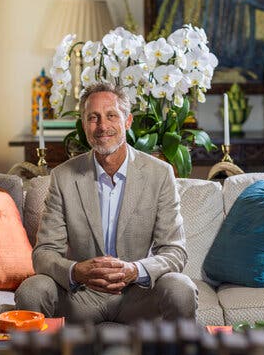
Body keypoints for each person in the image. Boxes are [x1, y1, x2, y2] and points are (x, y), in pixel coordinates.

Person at [15, 82, 198, 323]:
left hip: (138, 296)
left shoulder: (159, 173)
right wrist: (76, 271)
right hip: (80, 297)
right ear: (83, 125)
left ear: (128, 121)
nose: (102, 126)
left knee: (180, 287)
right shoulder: (63, 176)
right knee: (31, 289)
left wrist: (134, 271)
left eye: (111, 115)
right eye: (93, 118)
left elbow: (174, 251)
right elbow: (44, 253)